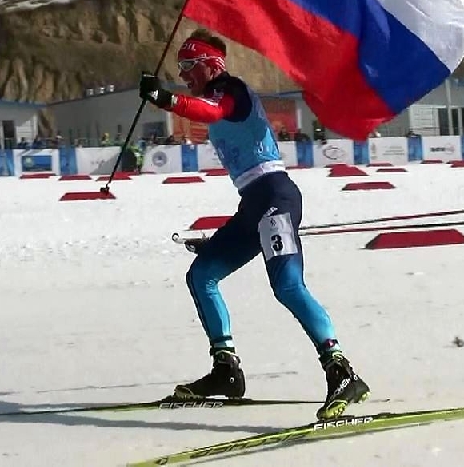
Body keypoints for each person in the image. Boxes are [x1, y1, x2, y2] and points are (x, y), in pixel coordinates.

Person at [138, 29, 369, 421]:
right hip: (253, 205)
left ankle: (341, 370)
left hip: (275, 197)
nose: (186, 74)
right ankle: (225, 369)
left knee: (287, 286)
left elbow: (210, 111)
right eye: (181, 69)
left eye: (190, 66)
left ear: (213, 64)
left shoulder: (233, 91)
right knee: (202, 275)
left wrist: (166, 98)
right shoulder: (211, 93)